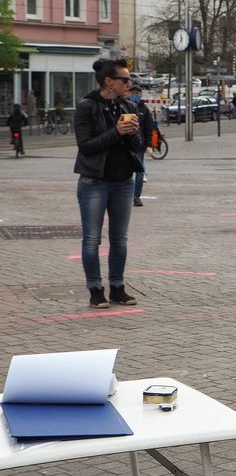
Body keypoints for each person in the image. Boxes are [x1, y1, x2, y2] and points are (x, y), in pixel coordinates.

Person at [74, 58, 143, 308]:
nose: (129, 83)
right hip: (94, 182)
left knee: (120, 239)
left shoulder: (128, 106)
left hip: (124, 181)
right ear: (108, 82)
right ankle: (95, 290)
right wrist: (116, 131)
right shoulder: (87, 106)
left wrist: (134, 134)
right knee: (92, 239)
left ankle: (117, 287)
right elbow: (86, 146)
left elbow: (139, 147)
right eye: (124, 79)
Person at [129, 84, 154, 207]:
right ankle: (125, 195)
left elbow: (149, 128)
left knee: (139, 172)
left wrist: (148, 145)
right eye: (133, 92)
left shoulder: (144, 109)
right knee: (126, 171)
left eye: (137, 93)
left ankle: (136, 196)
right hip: (126, 145)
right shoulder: (124, 106)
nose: (135, 95)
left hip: (139, 145)